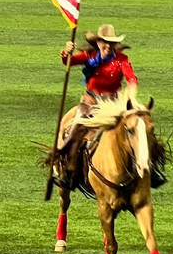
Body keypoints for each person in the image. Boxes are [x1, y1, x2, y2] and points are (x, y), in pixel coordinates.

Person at [53, 24, 138, 185]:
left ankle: (150, 169)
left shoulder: (121, 59)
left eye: (111, 43)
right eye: (104, 42)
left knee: (138, 129)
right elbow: (69, 62)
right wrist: (67, 52)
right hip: (90, 102)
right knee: (74, 131)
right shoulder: (89, 56)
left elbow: (131, 78)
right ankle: (68, 172)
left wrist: (132, 93)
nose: (107, 46)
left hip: (112, 104)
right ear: (98, 42)